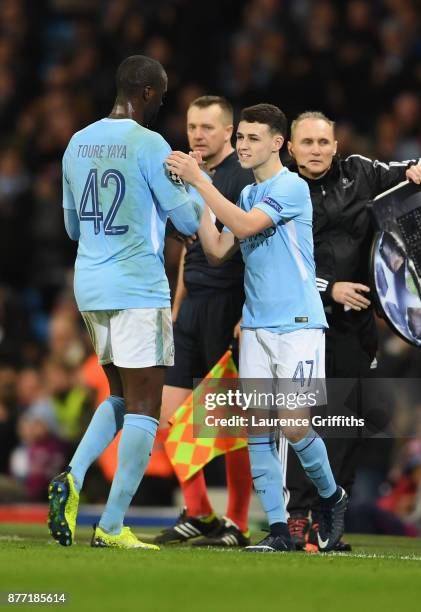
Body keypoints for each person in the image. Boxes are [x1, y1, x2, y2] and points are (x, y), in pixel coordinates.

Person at [166, 103, 348, 553]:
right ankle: (279, 530)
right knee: (258, 430)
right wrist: (194, 203)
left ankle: (332, 497)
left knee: (292, 424)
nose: (243, 145)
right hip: (257, 326)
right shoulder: (246, 195)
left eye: (252, 138)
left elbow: (246, 227)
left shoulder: (291, 187)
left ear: (277, 144)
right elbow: (218, 249)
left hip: (299, 324)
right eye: (241, 137)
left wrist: (201, 181)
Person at [48, 55, 203, 550]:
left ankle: (70, 477)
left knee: (118, 394)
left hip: (90, 285)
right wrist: (195, 182)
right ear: (149, 93)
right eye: (161, 96)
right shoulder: (149, 143)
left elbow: (72, 228)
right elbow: (189, 220)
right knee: (144, 409)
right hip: (137, 285)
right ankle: (112, 526)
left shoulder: (77, 143)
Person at [283, 110, 421, 550]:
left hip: (356, 324)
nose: (315, 150)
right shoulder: (280, 191)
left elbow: (405, 174)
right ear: (290, 149)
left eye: (322, 142)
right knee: (301, 422)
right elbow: (276, 264)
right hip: (301, 322)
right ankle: (298, 517)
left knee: (345, 426)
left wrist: (417, 170)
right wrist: (331, 289)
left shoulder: (361, 172)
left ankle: (332, 520)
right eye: (306, 143)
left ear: (335, 145)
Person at [155, 96, 254, 547]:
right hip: (192, 306)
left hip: (227, 305)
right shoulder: (188, 177)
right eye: (193, 126)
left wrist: (246, 314)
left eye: (207, 128)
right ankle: (200, 513)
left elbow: (253, 253)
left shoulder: (243, 178)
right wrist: (178, 301)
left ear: (228, 132)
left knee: (228, 422)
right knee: (168, 417)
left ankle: (236, 521)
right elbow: (191, 245)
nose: (197, 134)